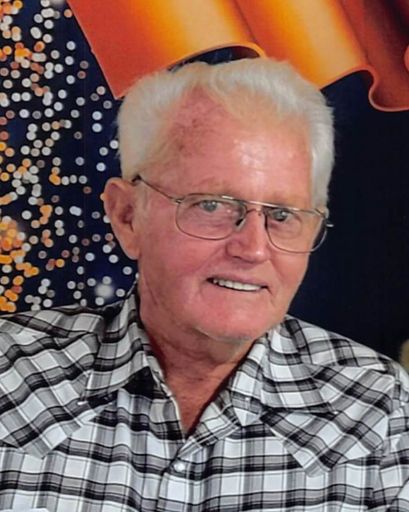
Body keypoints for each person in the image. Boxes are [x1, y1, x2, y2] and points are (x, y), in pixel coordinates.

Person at [0, 57, 408, 512]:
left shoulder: (378, 411)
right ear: (128, 216)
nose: (253, 249)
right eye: (212, 206)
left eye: (282, 215)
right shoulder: (10, 379)